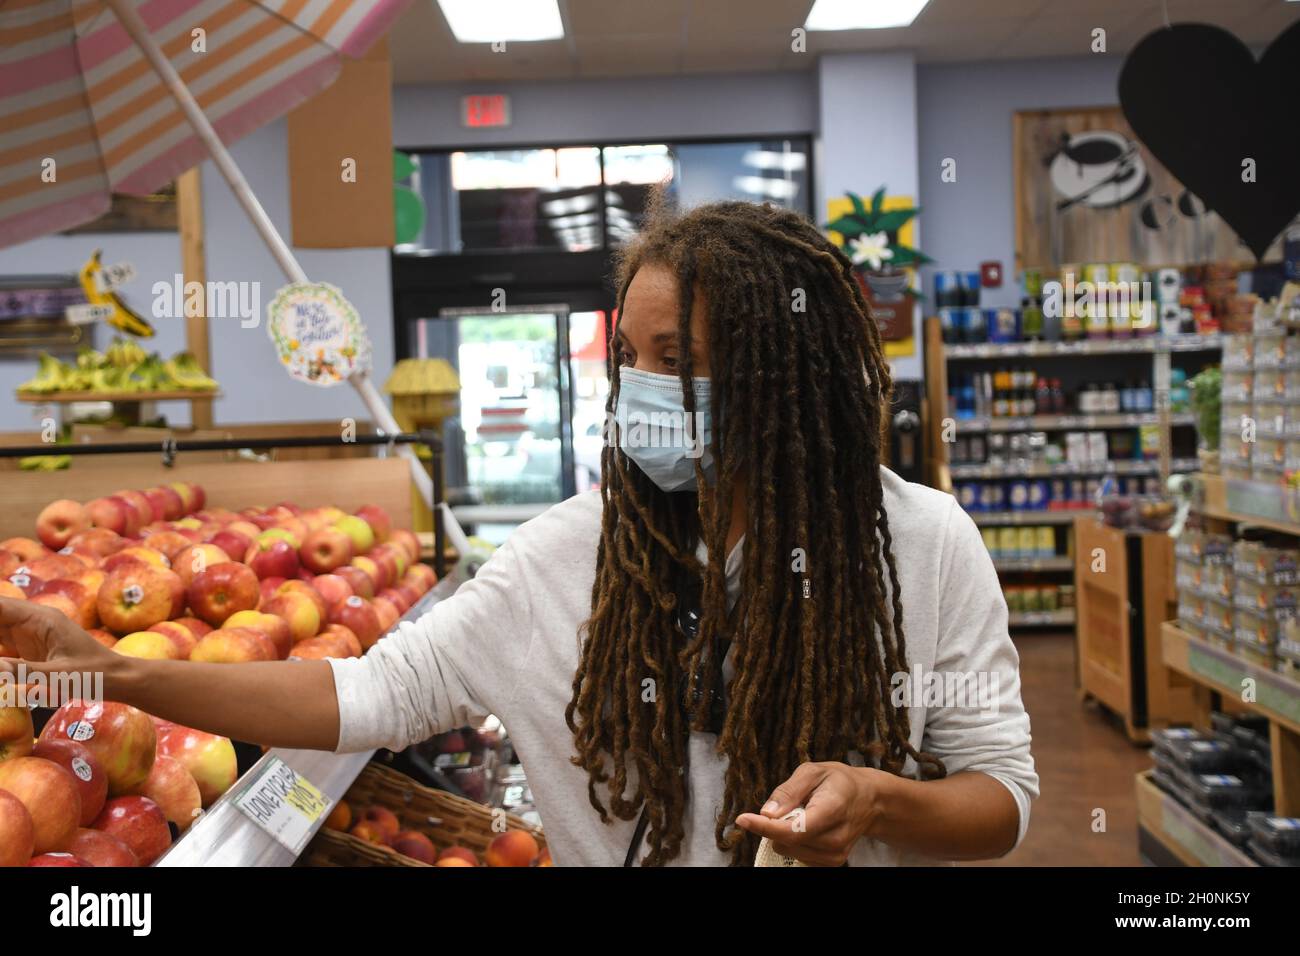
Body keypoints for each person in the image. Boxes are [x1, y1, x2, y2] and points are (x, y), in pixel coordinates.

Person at [0, 200, 1037, 867]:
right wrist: (111, 673)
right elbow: (353, 693)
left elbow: (1001, 799)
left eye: (676, 356)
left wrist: (880, 801)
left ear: (780, 375)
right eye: (628, 354)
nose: (639, 388)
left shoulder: (922, 541)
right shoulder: (563, 558)